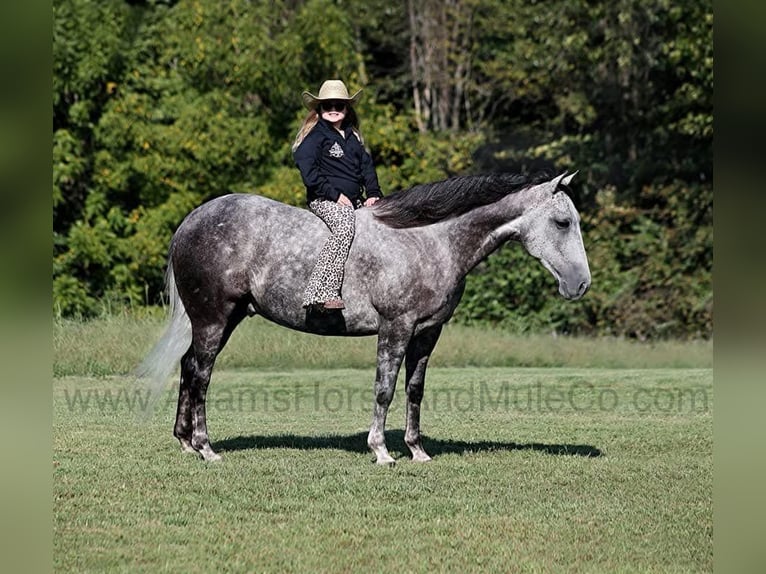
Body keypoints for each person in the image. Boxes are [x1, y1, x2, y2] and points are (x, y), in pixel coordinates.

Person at [292, 79, 383, 310]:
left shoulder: (353, 138)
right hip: (324, 200)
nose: (333, 109)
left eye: (339, 105)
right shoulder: (316, 137)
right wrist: (334, 195)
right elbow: (307, 168)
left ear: (346, 109)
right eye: (328, 105)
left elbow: (367, 169)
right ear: (320, 109)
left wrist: (373, 193)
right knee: (344, 226)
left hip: (354, 200)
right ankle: (320, 292)